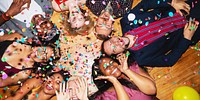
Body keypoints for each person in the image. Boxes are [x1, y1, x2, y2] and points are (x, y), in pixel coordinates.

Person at [102, 0, 200, 67]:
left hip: (184, 9)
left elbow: (146, 3)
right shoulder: (142, 59)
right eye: (114, 49)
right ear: (119, 54)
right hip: (193, 30)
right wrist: (186, 38)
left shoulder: (126, 20)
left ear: (113, 36)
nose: (115, 44)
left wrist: (171, 2)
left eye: (111, 42)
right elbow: (169, 60)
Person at [90, 53, 156, 100]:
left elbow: (152, 90)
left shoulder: (132, 69)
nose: (111, 66)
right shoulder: (107, 96)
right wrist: (115, 82)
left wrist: (126, 70)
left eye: (111, 62)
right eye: (106, 67)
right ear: (103, 76)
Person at [5, 70, 70, 100]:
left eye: (58, 82)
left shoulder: (57, 98)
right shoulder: (36, 82)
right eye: (52, 78)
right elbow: (14, 98)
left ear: (61, 89)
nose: (52, 82)